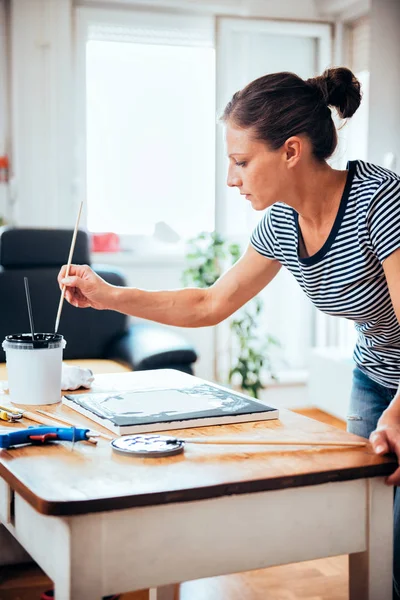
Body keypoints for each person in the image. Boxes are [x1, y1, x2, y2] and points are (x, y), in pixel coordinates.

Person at [59, 66, 400, 596]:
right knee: (371, 524)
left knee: (397, 547)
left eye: (241, 162)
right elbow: (209, 303)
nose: (230, 179)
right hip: (376, 372)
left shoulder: (379, 201)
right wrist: (107, 295)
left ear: (290, 151)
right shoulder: (282, 223)